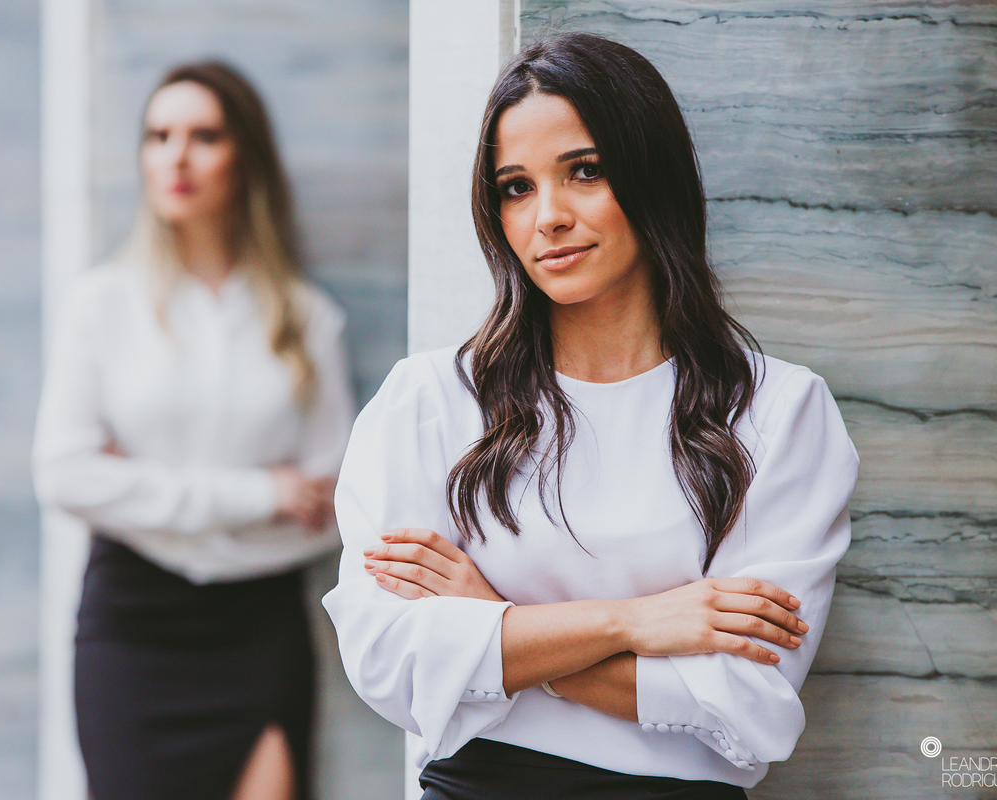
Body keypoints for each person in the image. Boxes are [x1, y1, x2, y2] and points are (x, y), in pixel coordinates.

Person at [322, 32, 858, 799]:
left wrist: (496, 626)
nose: (548, 217)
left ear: (651, 174)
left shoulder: (779, 411)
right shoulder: (430, 400)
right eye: (516, 186)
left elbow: (751, 707)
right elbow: (390, 660)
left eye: (584, 171)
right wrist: (633, 623)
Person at [33, 60, 355, 800]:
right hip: (134, 623)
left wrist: (136, 489)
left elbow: (334, 508)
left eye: (204, 136)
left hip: (259, 626)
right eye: (158, 136)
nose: (175, 157)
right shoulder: (101, 305)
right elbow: (63, 475)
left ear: (247, 157)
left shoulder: (308, 320)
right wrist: (260, 495)